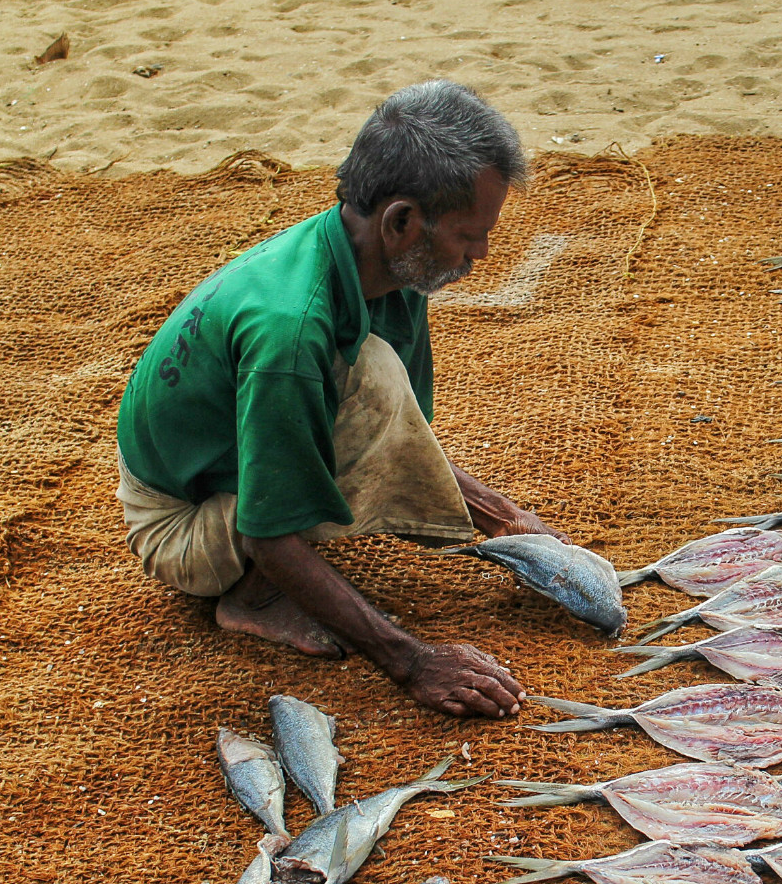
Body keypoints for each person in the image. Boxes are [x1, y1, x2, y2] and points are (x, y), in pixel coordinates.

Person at [115, 80, 568, 719]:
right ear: (403, 220)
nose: (482, 254)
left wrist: (501, 519)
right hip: (179, 523)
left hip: (224, 462)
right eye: (470, 235)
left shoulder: (387, 266)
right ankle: (251, 598)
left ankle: (277, 559)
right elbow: (270, 535)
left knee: (375, 379)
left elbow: (398, 433)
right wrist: (412, 661)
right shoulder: (290, 333)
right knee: (364, 390)